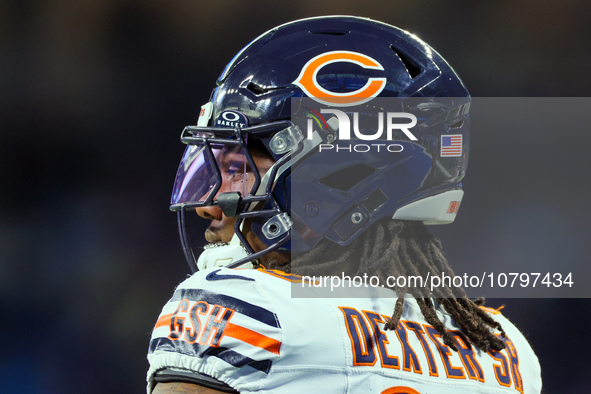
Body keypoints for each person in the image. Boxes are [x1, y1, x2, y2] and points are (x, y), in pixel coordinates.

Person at [147, 16, 542, 393]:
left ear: (340, 176)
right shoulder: (504, 350)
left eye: (238, 167)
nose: (208, 204)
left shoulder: (246, 311)